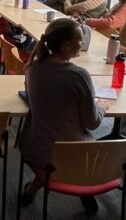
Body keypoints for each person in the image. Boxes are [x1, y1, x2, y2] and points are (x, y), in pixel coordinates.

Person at [19, 18, 110, 214]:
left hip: (36, 148)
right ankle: (84, 188)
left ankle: (34, 187)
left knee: (56, 138)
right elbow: (92, 122)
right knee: (74, 143)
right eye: (80, 39)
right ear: (66, 45)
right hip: (72, 155)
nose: (83, 43)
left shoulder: (33, 68)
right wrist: (101, 107)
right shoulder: (78, 76)